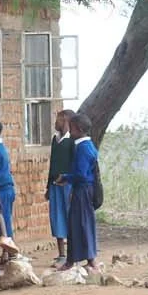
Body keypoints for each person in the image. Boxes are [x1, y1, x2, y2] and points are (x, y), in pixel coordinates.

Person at [56, 111, 100, 270]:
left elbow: (81, 174)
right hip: (83, 189)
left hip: (82, 190)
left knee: (80, 224)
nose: (70, 131)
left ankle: (85, 260)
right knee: (79, 223)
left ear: (79, 129)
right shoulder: (87, 146)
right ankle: (81, 258)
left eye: (72, 128)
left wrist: (66, 177)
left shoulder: (83, 148)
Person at [46, 109, 74, 265]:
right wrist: (48, 187)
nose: (55, 123)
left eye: (58, 120)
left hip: (68, 185)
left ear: (65, 121)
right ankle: (61, 253)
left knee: (69, 216)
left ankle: (71, 253)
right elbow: (52, 164)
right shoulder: (55, 140)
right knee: (56, 217)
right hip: (55, 185)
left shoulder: (71, 141)